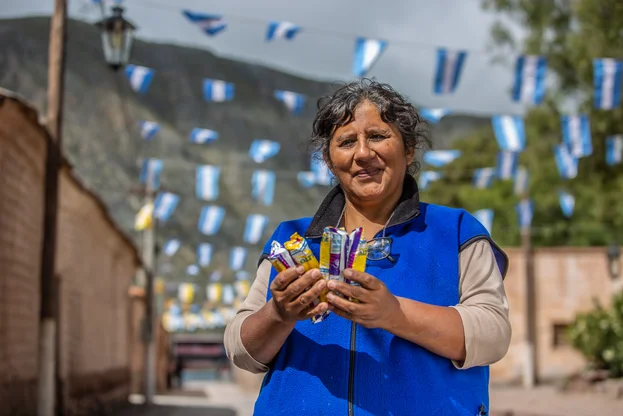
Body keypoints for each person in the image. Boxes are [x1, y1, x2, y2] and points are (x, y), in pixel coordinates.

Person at [224, 79, 511, 416]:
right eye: (346, 142)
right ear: (330, 161)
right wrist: (279, 314)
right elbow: (242, 351)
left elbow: (493, 334)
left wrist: (393, 314)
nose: (362, 153)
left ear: (408, 149)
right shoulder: (293, 241)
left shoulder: (457, 232)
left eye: (377, 136)